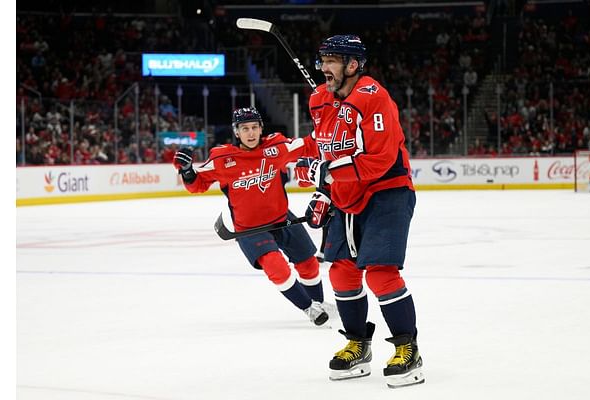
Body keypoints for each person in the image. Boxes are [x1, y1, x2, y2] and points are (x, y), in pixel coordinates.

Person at [294, 34, 424, 388]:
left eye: (331, 60)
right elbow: (326, 146)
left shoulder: (373, 97)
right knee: (342, 274)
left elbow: (380, 160)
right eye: (321, 60)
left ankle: (407, 350)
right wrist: (323, 189)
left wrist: (326, 173)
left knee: (380, 274)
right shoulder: (320, 100)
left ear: (353, 65)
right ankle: (357, 345)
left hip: (387, 190)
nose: (323, 68)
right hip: (346, 195)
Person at [173, 107, 330, 326]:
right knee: (276, 266)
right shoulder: (222, 158)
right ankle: (308, 308)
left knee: (308, 263)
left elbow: (309, 144)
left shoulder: (277, 146)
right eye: (245, 128)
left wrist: (331, 121)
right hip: (249, 228)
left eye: (255, 127)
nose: (251, 133)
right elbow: (197, 184)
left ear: (261, 128)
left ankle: (319, 303)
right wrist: (187, 170)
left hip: (282, 217)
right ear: (236, 132)